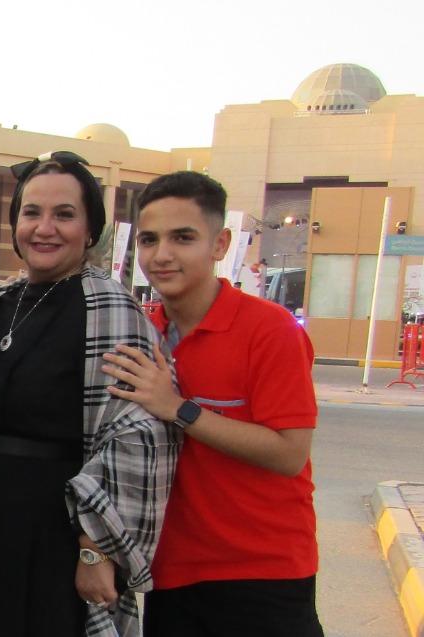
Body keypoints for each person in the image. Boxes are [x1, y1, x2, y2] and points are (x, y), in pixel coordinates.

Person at [0, 151, 180, 637]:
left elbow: (136, 436)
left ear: (90, 230)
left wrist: (95, 548)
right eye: (32, 213)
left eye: (64, 215)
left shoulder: (112, 314)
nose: (44, 228)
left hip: (53, 531)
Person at [101, 171, 323, 637]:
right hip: (171, 574)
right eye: (149, 239)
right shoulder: (141, 334)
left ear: (220, 244)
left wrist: (179, 408)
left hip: (264, 575)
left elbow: (289, 453)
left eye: (183, 238)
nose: (162, 255)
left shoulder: (271, 330)